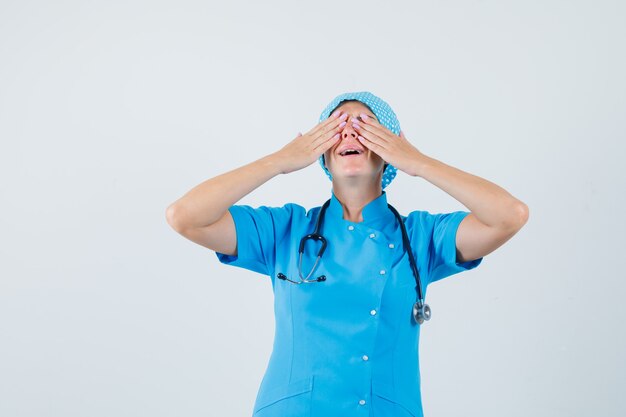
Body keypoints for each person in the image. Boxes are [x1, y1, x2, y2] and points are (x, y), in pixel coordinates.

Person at [166, 91, 529, 417]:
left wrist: (419, 163)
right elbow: (185, 217)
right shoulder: (286, 230)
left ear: (389, 150)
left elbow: (509, 216)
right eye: (337, 126)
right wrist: (277, 162)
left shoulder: (422, 238)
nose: (350, 134)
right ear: (321, 151)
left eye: (366, 127)